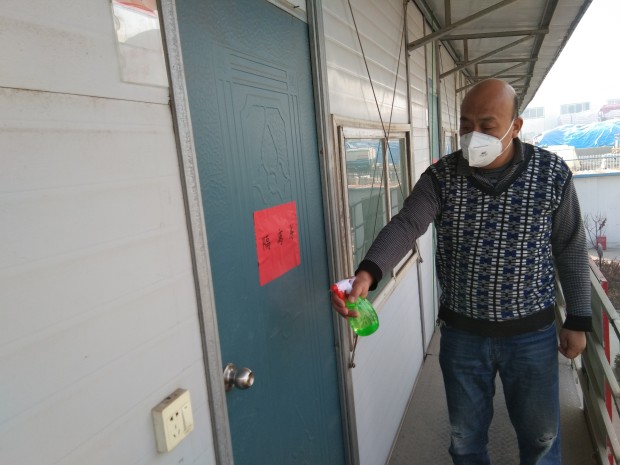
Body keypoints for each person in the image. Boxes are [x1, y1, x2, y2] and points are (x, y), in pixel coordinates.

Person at [331, 78, 592, 465]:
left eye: (487, 125)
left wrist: (578, 319)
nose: (474, 135)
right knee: (465, 442)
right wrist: (368, 274)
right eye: (466, 125)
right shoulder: (442, 177)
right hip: (463, 336)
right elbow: (407, 224)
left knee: (541, 440)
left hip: (532, 335)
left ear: (516, 126)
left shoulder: (552, 174)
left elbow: (569, 245)